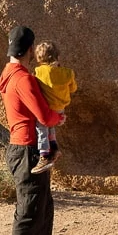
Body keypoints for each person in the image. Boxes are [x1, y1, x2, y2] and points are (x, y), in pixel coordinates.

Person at [0, 25, 67, 235]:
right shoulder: (23, 79)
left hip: (25, 148)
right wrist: (59, 118)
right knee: (28, 211)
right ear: (29, 50)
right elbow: (45, 116)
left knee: (43, 207)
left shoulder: (9, 72)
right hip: (28, 150)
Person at [31, 40, 78, 174]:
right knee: (51, 127)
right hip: (60, 108)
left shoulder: (39, 71)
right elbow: (73, 88)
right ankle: (55, 148)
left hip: (47, 107)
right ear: (58, 56)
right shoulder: (68, 73)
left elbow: (35, 86)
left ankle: (44, 155)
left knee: (42, 128)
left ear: (39, 58)